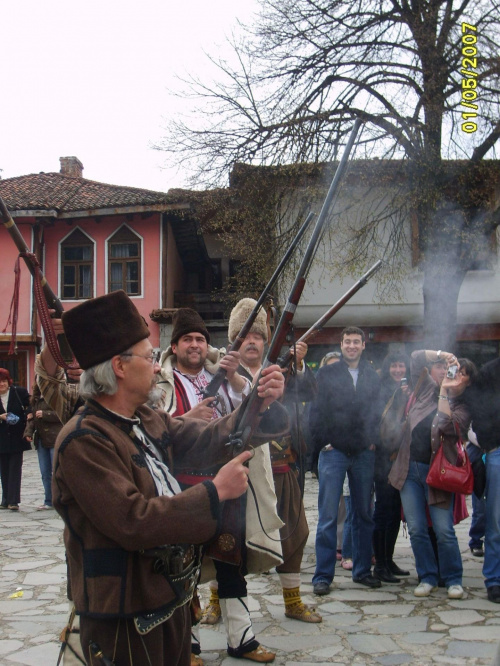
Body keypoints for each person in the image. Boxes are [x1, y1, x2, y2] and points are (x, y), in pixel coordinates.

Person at [51, 290, 288, 666]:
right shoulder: (82, 441)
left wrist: (258, 404)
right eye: (148, 356)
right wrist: (214, 493)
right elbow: (134, 520)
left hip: (168, 600)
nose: (155, 364)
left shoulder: (145, 418)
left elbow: (210, 438)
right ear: (119, 367)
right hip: (124, 618)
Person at [156, 307, 280, 664]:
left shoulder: (225, 375)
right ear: (175, 346)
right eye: (187, 339)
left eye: (200, 339)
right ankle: (187, 645)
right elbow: (150, 429)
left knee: (230, 561)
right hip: (183, 489)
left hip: (227, 484)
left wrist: (237, 379)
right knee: (183, 569)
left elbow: (249, 416)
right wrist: (184, 420)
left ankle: (241, 639)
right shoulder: (161, 382)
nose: (195, 345)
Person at [226, 298, 322, 624]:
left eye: (256, 337)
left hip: (282, 466)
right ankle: (215, 599)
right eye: (243, 336)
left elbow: (309, 392)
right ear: (234, 341)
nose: (251, 342)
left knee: (295, 533)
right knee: (225, 539)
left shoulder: (280, 369)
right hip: (237, 469)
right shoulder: (222, 373)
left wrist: (297, 365)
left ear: (266, 341)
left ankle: (293, 601)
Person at [388, 350, 475, 600]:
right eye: (442, 368)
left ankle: (453, 578)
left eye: (457, 374)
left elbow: (448, 425)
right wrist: (440, 353)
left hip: (439, 474)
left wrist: (446, 392)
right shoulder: (425, 390)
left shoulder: (463, 406)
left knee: (443, 529)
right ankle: (427, 576)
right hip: (409, 468)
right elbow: (414, 357)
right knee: (416, 528)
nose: (446, 373)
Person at [309, 326, 382, 595]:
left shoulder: (372, 376)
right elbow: (316, 411)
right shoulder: (327, 373)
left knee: (364, 513)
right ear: (341, 345)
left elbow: (377, 410)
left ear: (364, 345)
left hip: (363, 451)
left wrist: (373, 438)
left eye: (356, 342)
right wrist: (322, 443)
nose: (352, 346)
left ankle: (362, 571)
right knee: (328, 515)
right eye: (347, 341)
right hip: (334, 451)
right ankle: (323, 576)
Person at [373, 352, 412, 583]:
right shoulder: (383, 390)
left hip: (400, 457)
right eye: (394, 366)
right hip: (384, 458)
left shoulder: (408, 390)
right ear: (388, 367)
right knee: (383, 512)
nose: (398, 370)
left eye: (401, 366)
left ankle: (388, 559)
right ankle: (380, 564)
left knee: (395, 513)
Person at [466, 357, 500, 604]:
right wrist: (489, 441)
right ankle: (494, 579)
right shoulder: (490, 371)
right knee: (496, 520)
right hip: (498, 449)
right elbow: (477, 408)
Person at [24, 375, 63, 510]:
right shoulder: (35, 399)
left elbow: (63, 414)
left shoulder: (57, 395)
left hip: (54, 438)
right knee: (45, 472)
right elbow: (32, 418)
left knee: (57, 471)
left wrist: (45, 414)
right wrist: (28, 432)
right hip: (41, 439)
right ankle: (48, 500)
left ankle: (59, 500)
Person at [0, 368, 31, 511]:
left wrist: (29, 416)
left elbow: (30, 405)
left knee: (15, 469)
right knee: (4, 470)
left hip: (17, 437)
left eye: (4, 381)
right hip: (1, 439)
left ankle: (14, 501)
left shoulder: (19, 393)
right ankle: (5, 499)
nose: (1, 384)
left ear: (8, 382)